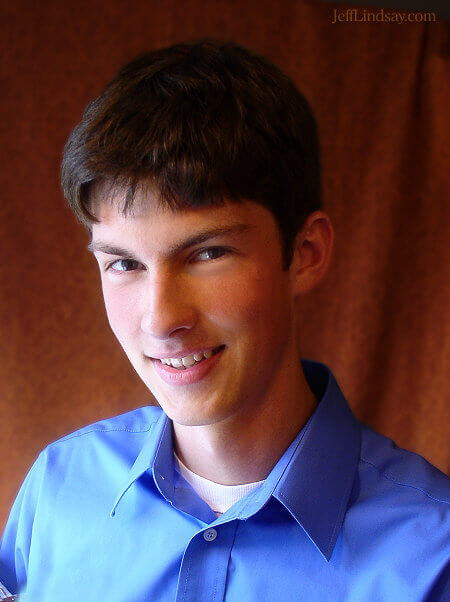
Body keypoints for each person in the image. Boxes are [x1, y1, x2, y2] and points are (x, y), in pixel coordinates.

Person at [0, 39, 448, 601]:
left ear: (306, 251)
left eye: (207, 254)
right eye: (123, 263)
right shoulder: (57, 486)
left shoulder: (435, 556)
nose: (161, 319)